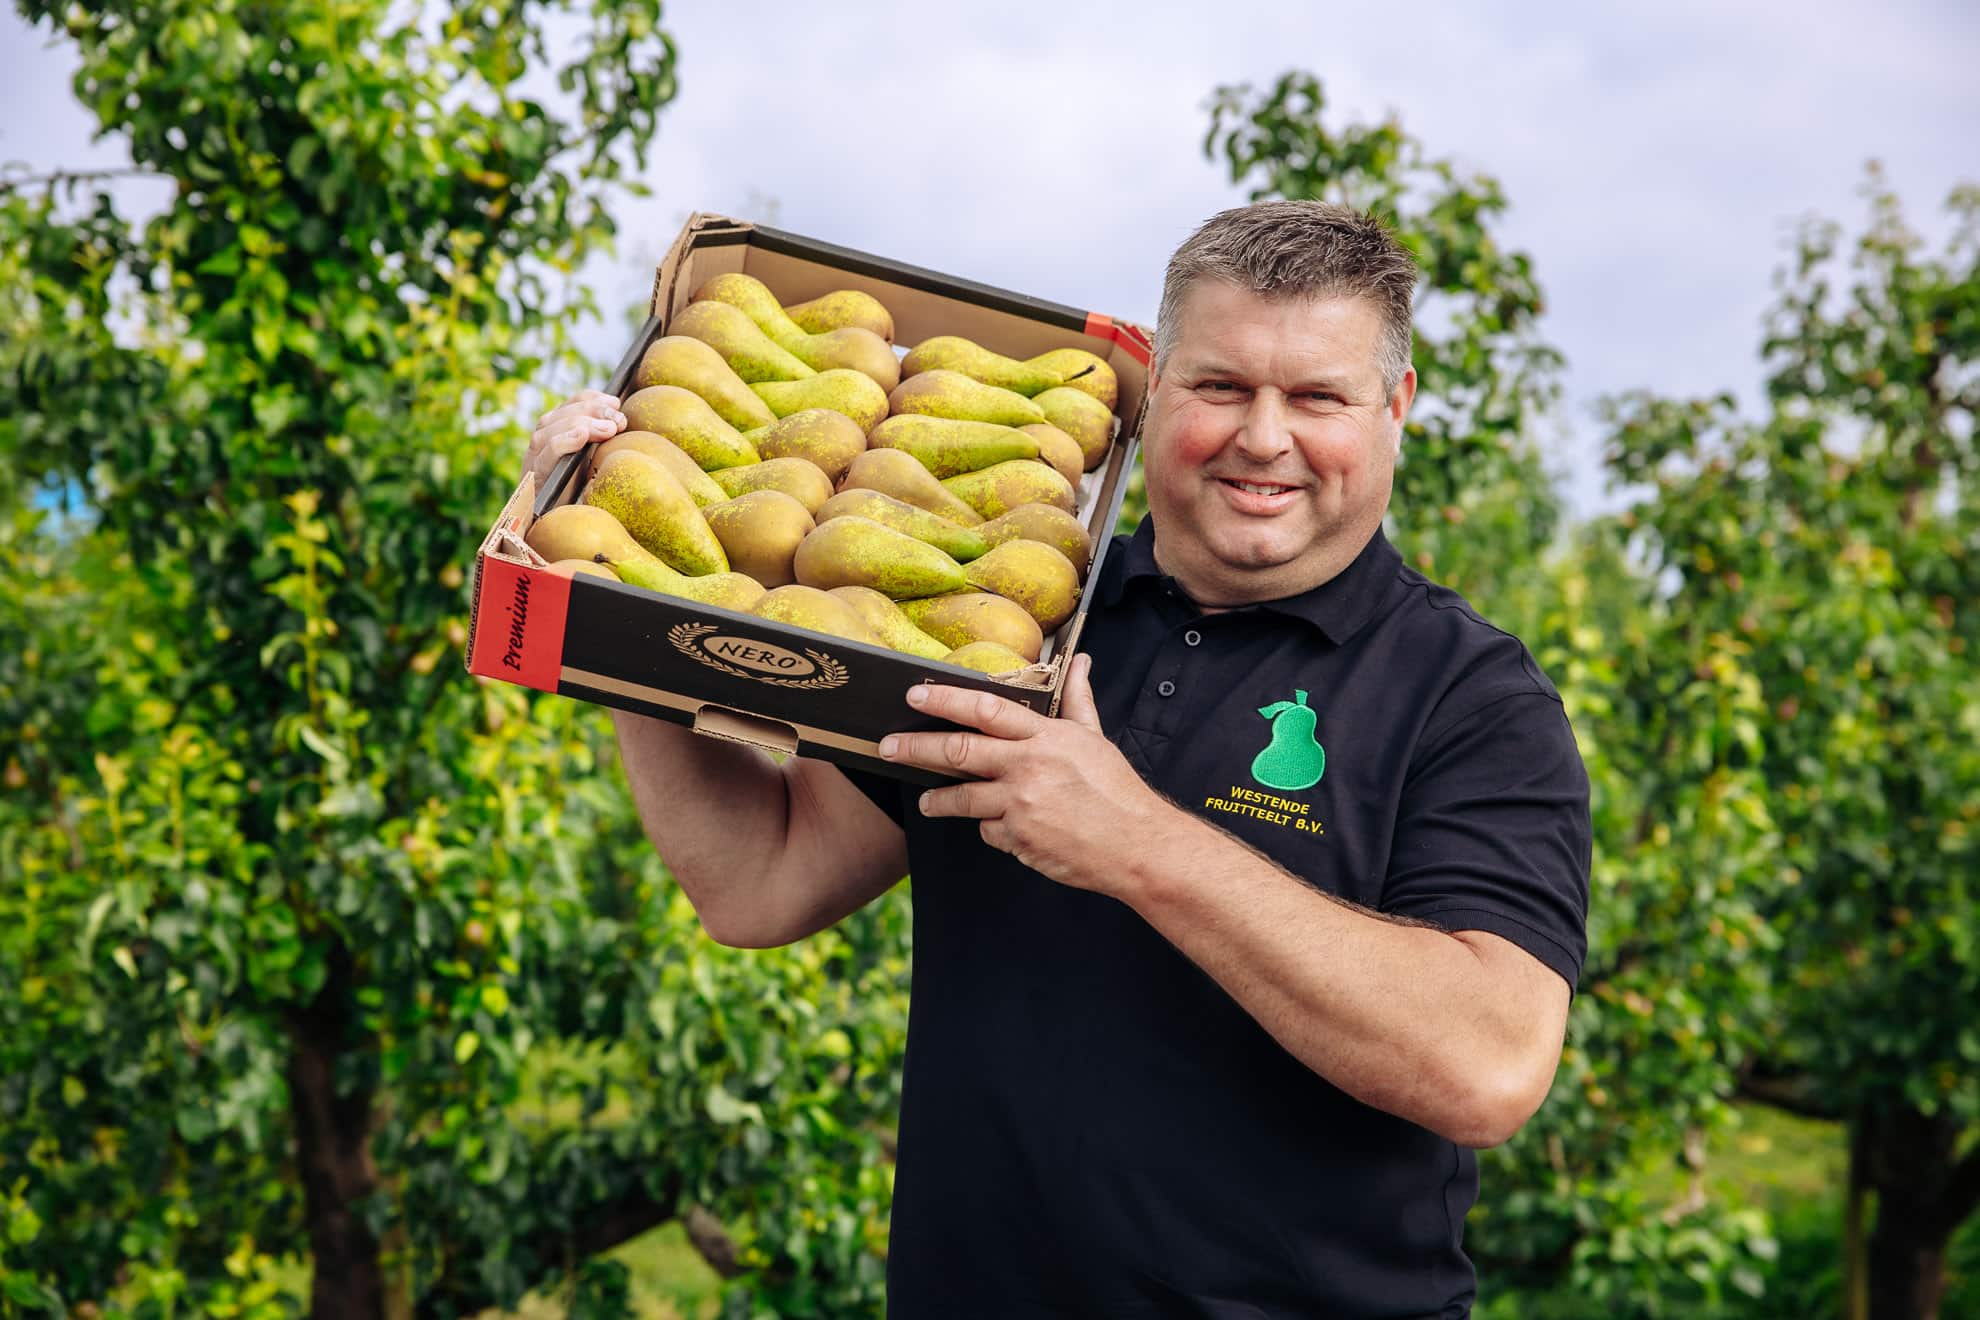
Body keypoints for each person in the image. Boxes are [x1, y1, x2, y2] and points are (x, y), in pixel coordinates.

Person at [524, 200, 1591, 1318]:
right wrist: (609, 594)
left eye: (1317, 397)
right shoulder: (1018, 626)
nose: (1264, 437)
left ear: (1394, 410)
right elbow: (756, 877)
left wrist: (1136, 842)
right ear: (1157, 384)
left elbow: (1489, 1066)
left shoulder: (1470, 698)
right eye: (1222, 387)